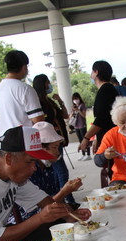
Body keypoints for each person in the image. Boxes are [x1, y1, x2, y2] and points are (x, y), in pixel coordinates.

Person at [7, 122, 83, 223]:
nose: (58, 152)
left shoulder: (49, 167)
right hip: (31, 221)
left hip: (50, 213)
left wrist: (69, 211)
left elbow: (51, 201)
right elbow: (39, 211)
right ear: (41, 148)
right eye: (54, 147)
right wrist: (64, 191)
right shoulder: (28, 172)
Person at [31, 74, 76, 206]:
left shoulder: (50, 101)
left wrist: (60, 101)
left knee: (58, 173)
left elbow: (65, 115)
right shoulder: (38, 102)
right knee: (62, 172)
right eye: (47, 83)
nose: (49, 86)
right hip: (49, 139)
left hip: (54, 139)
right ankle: (68, 199)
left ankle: (65, 200)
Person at [0, 50, 44, 138]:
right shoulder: (25, 89)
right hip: (25, 144)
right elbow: (39, 121)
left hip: (5, 143)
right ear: (24, 67)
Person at [78, 60, 118, 153]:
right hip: (108, 136)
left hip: (110, 139)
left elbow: (101, 119)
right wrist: (97, 138)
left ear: (96, 72)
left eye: (92, 71)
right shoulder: (107, 89)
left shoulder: (105, 90)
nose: (91, 74)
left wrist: (86, 138)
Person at [71, 92, 91, 161]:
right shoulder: (74, 107)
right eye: (74, 99)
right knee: (80, 141)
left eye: (76, 98)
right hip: (76, 126)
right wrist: (73, 112)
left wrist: (78, 110)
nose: (75, 100)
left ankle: (88, 154)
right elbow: (71, 116)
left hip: (82, 125)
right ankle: (83, 154)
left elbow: (84, 116)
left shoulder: (82, 106)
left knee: (85, 140)